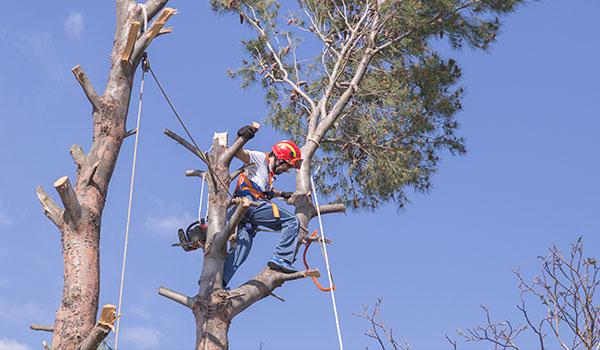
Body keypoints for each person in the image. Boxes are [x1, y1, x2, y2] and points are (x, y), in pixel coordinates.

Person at [223, 124, 303, 287]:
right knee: (292, 221)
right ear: (280, 158)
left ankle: (219, 282)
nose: (286, 170)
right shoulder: (260, 158)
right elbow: (238, 153)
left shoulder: (267, 176)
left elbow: (265, 191)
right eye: (287, 166)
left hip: (246, 216)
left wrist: (281, 194)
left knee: (241, 250)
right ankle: (281, 257)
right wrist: (242, 136)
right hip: (250, 205)